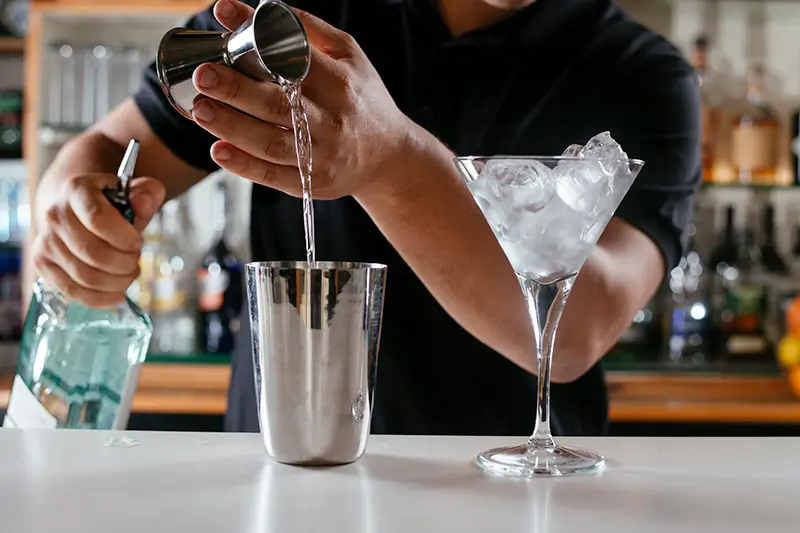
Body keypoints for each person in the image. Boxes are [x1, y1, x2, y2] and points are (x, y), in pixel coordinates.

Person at [31, 0, 700, 436]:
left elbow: (578, 330)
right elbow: (103, 154)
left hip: (507, 491)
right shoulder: (307, 15)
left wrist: (389, 160)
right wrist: (68, 210)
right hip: (284, 475)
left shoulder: (643, 77)